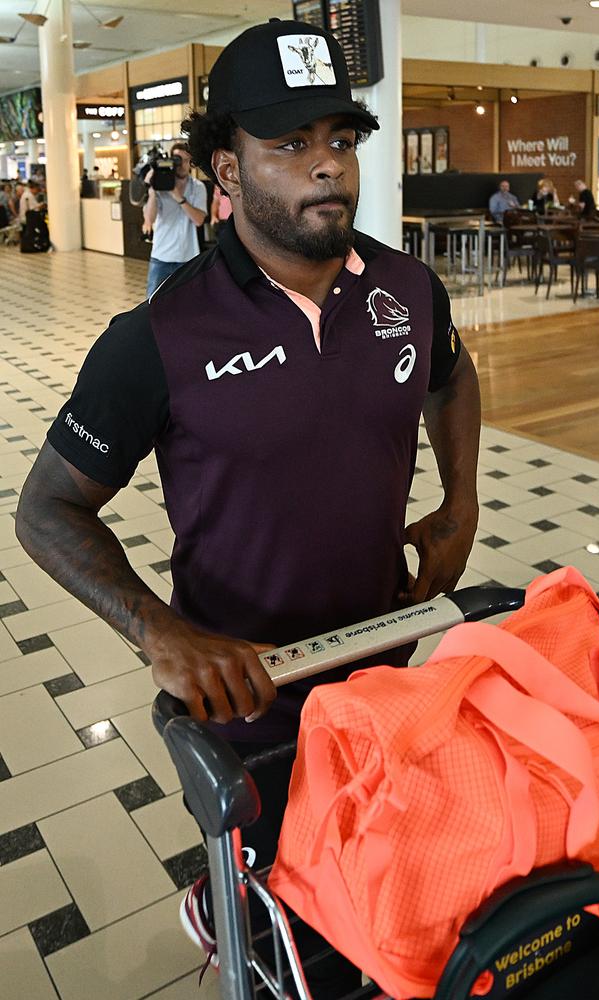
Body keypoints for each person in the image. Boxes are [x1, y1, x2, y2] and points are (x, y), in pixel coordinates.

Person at [15, 16, 480, 994]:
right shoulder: (156, 337)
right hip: (246, 695)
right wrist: (157, 629)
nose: (326, 168)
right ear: (222, 168)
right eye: (288, 144)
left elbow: (450, 376)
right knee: (275, 900)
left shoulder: (405, 288)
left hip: (384, 660)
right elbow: (48, 508)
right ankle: (230, 911)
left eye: (339, 141)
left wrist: (459, 502)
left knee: (377, 875)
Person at [142, 141, 208, 297]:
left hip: (188, 258)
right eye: (178, 160)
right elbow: (149, 220)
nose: (182, 165)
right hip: (161, 257)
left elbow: (199, 220)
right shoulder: (159, 186)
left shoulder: (198, 187)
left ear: (191, 163)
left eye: (186, 161)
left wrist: (178, 197)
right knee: (152, 304)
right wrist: (152, 191)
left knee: (189, 304)